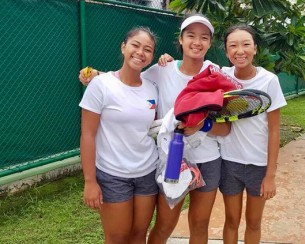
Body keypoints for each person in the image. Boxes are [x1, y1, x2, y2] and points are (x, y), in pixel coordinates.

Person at [79, 14, 230, 244]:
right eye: (190, 35)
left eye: (204, 37)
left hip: (207, 160)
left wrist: (203, 125)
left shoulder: (216, 74)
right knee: (163, 227)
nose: (197, 42)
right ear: (180, 40)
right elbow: (126, 80)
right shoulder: (162, 70)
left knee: (199, 224)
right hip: (171, 161)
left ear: (210, 43)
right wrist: (93, 75)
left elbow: (226, 128)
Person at [79, 27, 159, 244]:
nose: (140, 52)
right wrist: (90, 181)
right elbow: (87, 135)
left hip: (147, 172)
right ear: (123, 47)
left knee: (138, 235)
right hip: (112, 175)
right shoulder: (101, 85)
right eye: (135, 45)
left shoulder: (152, 88)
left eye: (148, 49)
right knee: (117, 237)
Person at [218, 24, 287, 243]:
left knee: (254, 222)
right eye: (233, 45)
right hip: (229, 162)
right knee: (231, 221)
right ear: (227, 51)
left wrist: (270, 175)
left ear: (255, 48)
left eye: (246, 44)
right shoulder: (222, 76)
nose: (240, 51)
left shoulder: (269, 81)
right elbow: (190, 68)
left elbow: (274, 130)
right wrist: (167, 61)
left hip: (259, 166)